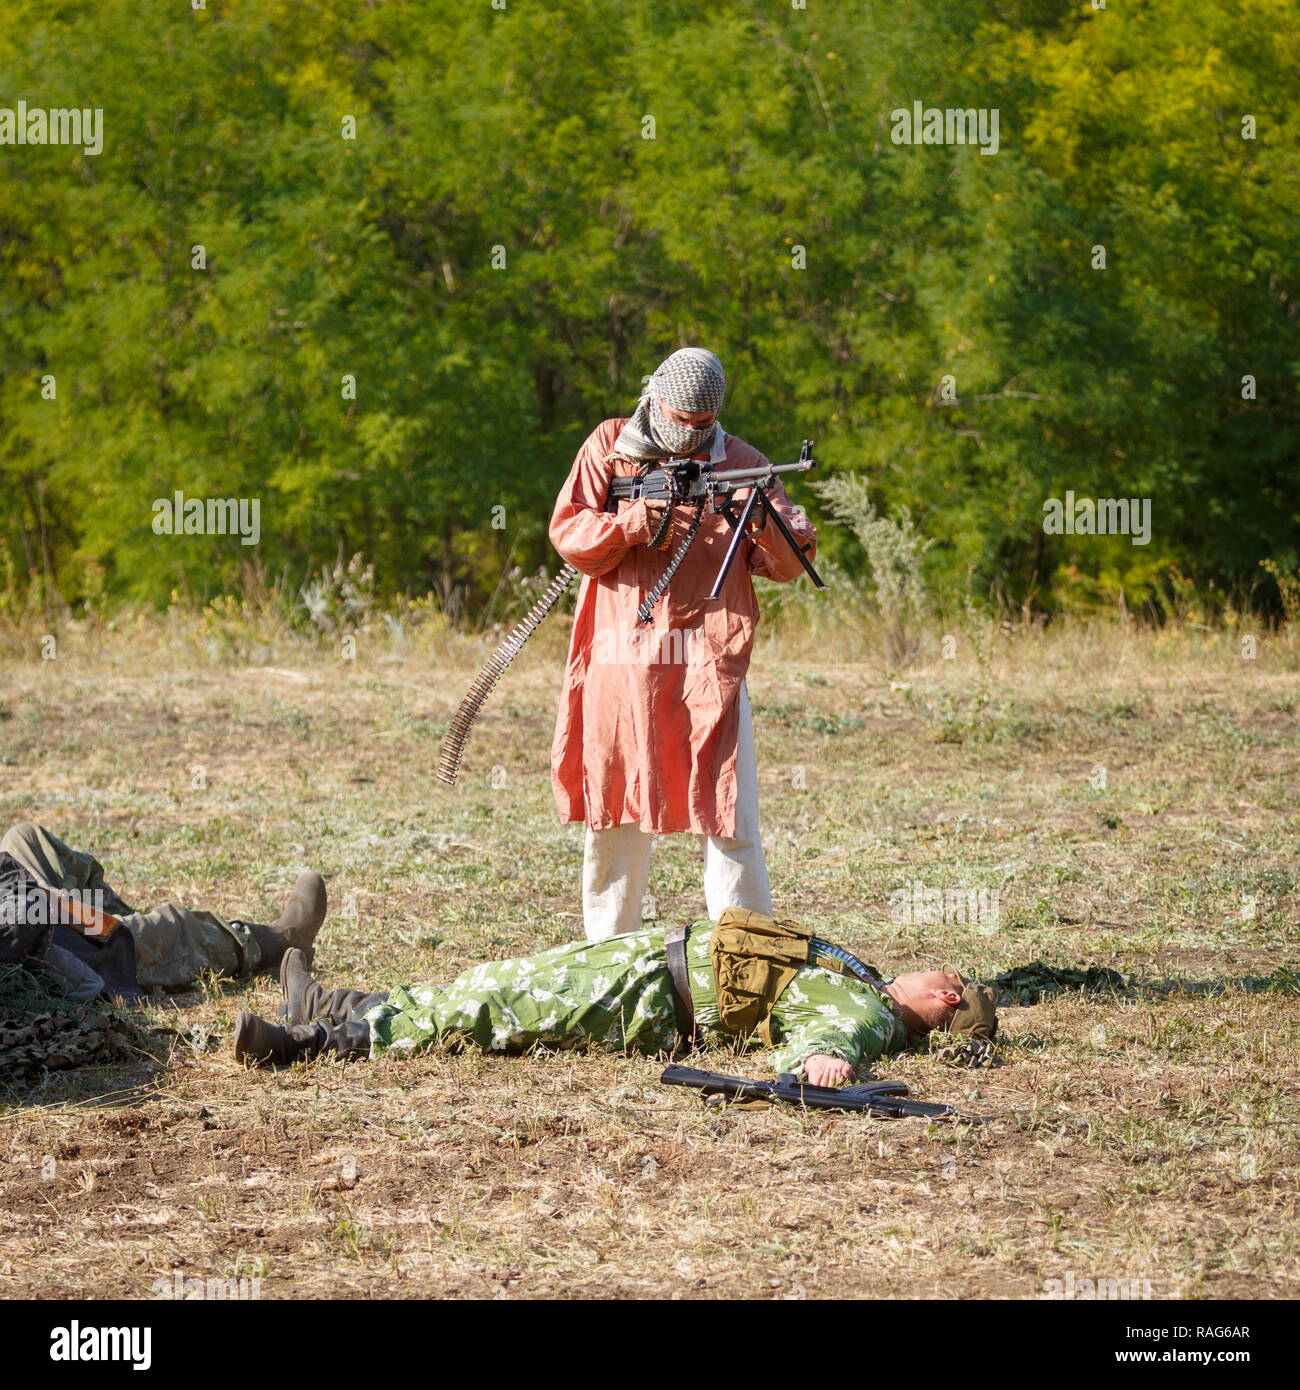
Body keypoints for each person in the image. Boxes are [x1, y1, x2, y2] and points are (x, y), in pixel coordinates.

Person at [548, 348, 818, 941]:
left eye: (704, 424)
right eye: (681, 421)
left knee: (731, 816)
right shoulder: (609, 444)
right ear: (655, 398)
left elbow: (786, 563)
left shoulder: (743, 463)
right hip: (622, 663)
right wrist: (633, 523)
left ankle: (745, 957)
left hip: (707, 666)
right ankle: (609, 959)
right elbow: (568, 532)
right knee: (616, 814)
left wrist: (770, 521)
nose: (692, 435)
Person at [232, 909, 999, 1080]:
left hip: (650, 996)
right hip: (648, 960)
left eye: (953, 989)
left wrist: (824, 1062)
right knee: (494, 984)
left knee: (500, 1006)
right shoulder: (863, 983)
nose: (945, 976)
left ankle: (310, 1043)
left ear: (939, 1007)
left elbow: (826, 1041)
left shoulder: (866, 1014)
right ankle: (335, 1003)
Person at [0, 821, 327, 1000]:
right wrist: (38, 902)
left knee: (25, 839)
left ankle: (130, 935)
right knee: (173, 925)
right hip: (29, 953)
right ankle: (274, 944)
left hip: (22, 914)